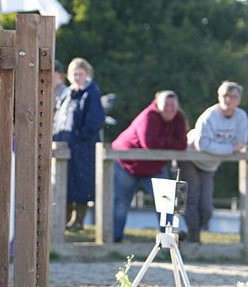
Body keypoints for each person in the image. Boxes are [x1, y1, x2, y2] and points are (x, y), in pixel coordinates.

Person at [109, 91, 188, 242]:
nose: (169, 109)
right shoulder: (148, 116)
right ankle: (114, 239)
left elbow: (182, 145)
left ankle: (170, 238)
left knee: (168, 200)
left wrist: (163, 141)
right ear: (157, 104)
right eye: (166, 104)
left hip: (154, 166)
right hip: (127, 163)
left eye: (173, 105)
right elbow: (150, 143)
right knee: (121, 202)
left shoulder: (179, 118)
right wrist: (170, 141)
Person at [178, 81, 248, 243]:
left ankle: (188, 234)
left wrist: (223, 148)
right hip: (190, 157)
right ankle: (193, 240)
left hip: (210, 163)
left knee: (207, 208)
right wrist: (230, 148)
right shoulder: (210, 115)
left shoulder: (241, 117)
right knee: (191, 198)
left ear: (239, 99)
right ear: (219, 96)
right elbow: (202, 145)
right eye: (225, 96)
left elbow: (242, 142)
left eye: (233, 97)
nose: (228, 100)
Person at [52, 58, 106, 230]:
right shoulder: (68, 93)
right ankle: (64, 218)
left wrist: (80, 135)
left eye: (80, 73)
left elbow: (95, 120)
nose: (77, 77)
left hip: (83, 147)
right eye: (74, 73)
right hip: (66, 146)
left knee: (82, 184)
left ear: (87, 74)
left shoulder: (91, 93)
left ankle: (78, 220)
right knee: (65, 182)